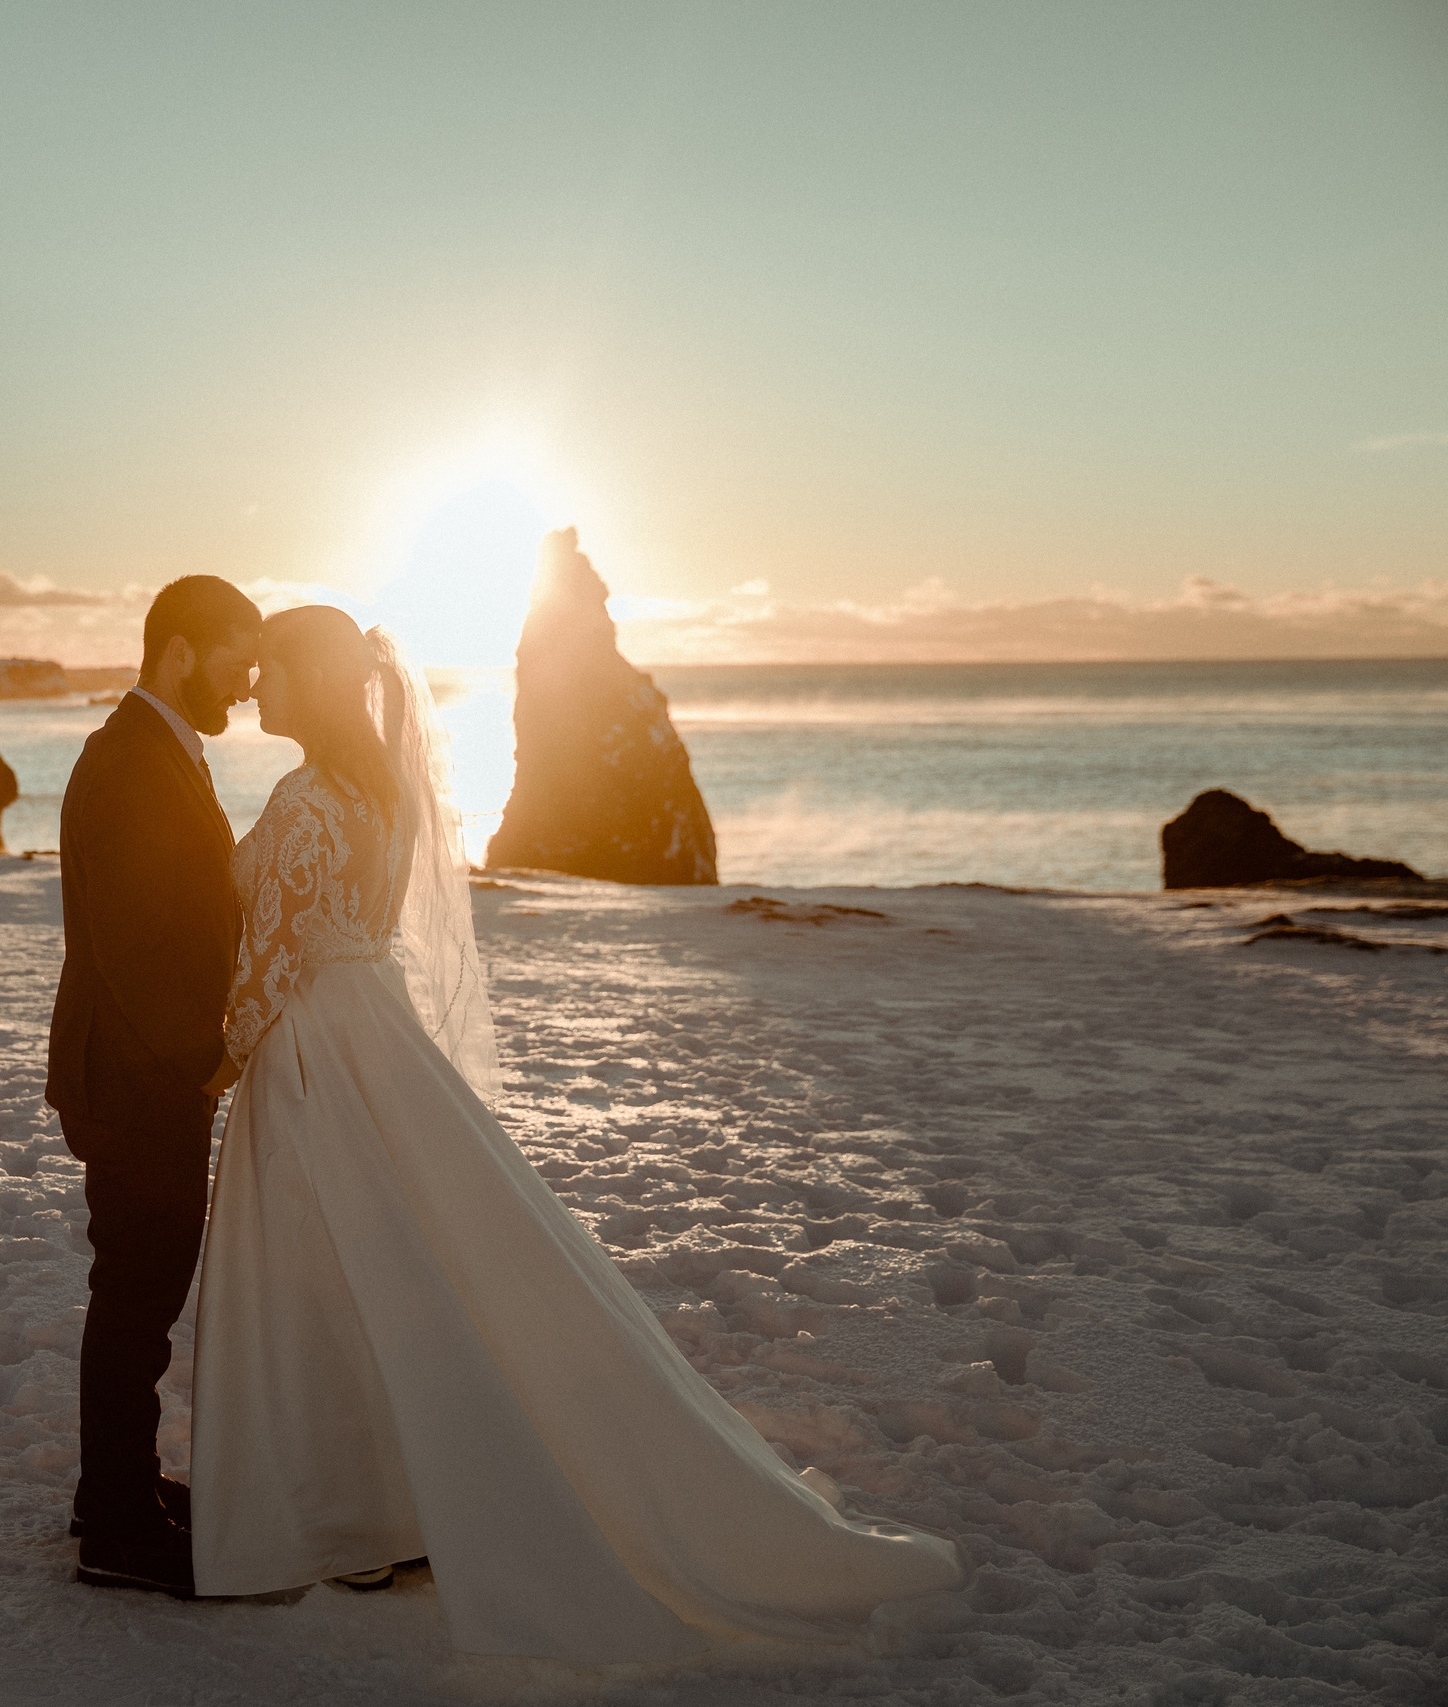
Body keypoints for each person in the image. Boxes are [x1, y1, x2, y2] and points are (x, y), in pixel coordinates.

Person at [187, 604, 967, 1661]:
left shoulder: (301, 800)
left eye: (270, 670)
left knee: (317, 1271)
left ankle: (343, 1515)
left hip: (316, 1051)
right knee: (396, 1266)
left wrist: (220, 1064)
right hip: (382, 1034)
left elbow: (273, 963)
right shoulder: (382, 793)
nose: (253, 689)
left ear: (311, 680)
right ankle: (389, 1506)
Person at [46, 574, 261, 1597]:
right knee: (137, 1290)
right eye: (236, 658)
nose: (249, 681)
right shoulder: (130, 760)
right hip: (136, 1072)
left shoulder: (154, 748)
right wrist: (202, 1056)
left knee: (140, 1284)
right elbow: (133, 945)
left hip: (138, 1068)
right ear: (179, 650)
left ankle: (115, 1490)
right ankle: (118, 1528)